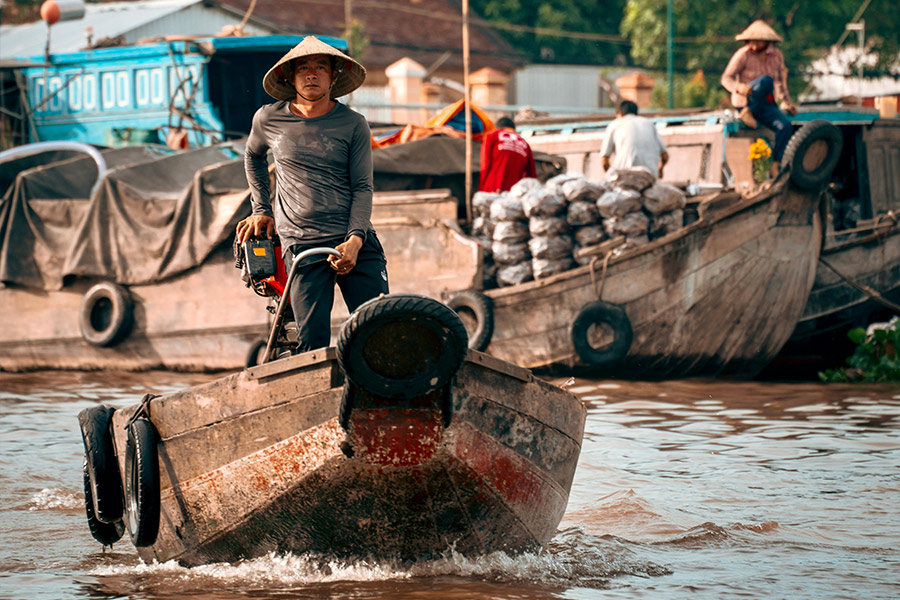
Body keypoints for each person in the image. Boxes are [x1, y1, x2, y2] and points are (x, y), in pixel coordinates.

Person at [235, 36, 389, 352]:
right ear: (290, 78)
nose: (311, 74)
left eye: (320, 67)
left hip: (353, 240)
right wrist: (261, 207)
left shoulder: (353, 123)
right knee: (312, 342)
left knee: (379, 333)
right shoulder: (268, 118)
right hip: (302, 242)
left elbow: (362, 186)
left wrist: (355, 240)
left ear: (333, 76)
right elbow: (252, 156)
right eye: (303, 68)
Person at [721, 20, 798, 175]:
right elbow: (726, 78)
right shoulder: (743, 54)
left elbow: (781, 82)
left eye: (758, 41)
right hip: (746, 101)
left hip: (765, 105)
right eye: (752, 41)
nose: (754, 45)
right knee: (766, 81)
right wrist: (738, 87)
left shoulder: (776, 56)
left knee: (785, 126)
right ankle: (747, 112)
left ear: (767, 42)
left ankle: (776, 164)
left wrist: (786, 102)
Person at [600, 100, 669, 178]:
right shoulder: (648, 123)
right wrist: (660, 170)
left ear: (620, 113)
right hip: (650, 175)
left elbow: (604, 161)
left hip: (625, 176)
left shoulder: (614, 124)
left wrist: (611, 178)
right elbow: (665, 156)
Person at [478, 117, 537, 192]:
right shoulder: (525, 144)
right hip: (513, 195)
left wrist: (481, 188)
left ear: (498, 127)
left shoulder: (492, 136)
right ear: (514, 129)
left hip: (492, 190)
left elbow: (485, 164)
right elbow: (532, 177)